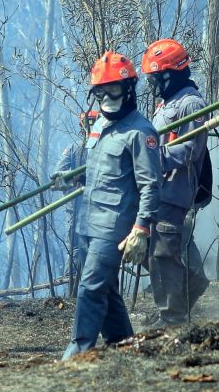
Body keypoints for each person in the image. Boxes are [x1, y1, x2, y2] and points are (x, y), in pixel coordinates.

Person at [63, 51, 160, 360]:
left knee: (91, 289)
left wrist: (141, 229)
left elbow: (150, 186)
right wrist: (71, 175)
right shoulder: (99, 126)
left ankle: (79, 351)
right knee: (106, 290)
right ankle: (123, 343)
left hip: (114, 226)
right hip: (88, 222)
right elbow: (95, 171)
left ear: (128, 88)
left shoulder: (140, 132)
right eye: (100, 91)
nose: (106, 96)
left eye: (113, 89)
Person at [141, 37, 211, 324]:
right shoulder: (169, 102)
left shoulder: (191, 104)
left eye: (155, 78)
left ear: (169, 74)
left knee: (163, 255)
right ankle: (189, 292)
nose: (153, 85)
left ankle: (172, 319)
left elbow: (192, 149)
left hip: (175, 191)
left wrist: (153, 157)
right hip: (161, 190)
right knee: (165, 251)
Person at [53, 110, 100, 295]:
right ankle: (72, 292)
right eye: (87, 123)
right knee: (73, 249)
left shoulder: (105, 147)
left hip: (99, 208)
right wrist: (75, 179)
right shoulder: (73, 149)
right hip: (76, 208)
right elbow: (59, 176)